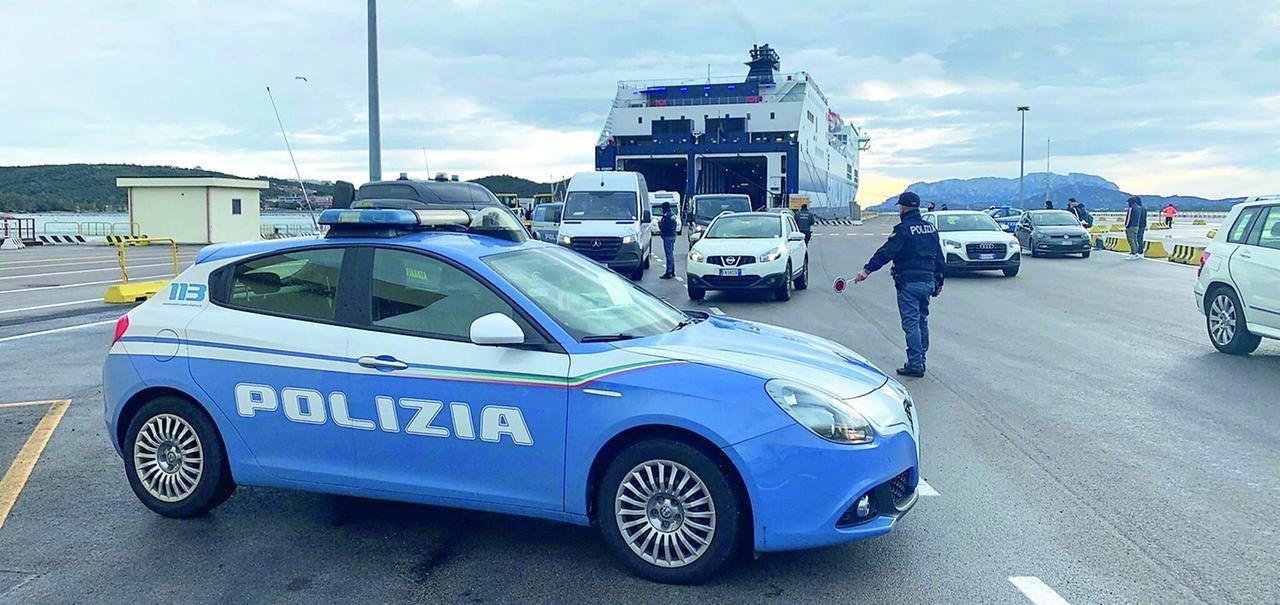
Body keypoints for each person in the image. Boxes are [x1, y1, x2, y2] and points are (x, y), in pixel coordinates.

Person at [852, 192, 945, 378]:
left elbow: (886, 252)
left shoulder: (903, 230)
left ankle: (916, 364)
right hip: (927, 281)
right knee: (922, 321)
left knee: (911, 323)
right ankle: (921, 359)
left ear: (902, 208)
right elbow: (939, 256)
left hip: (909, 283)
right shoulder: (930, 228)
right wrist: (939, 280)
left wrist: (867, 270)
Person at [658, 202, 678, 279]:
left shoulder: (667, 215)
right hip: (672, 235)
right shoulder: (672, 214)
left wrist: (660, 225)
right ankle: (672, 270)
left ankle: (669, 272)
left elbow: (665, 226)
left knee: (669, 254)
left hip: (668, 236)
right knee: (671, 253)